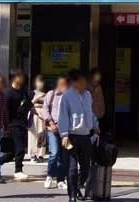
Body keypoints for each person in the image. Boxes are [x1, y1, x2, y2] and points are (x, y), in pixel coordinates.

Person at [59, 70, 99, 202]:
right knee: (72, 168)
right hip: (71, 136)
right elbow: (63, 116)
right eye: (81, 81)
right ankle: (72, 195)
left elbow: (90, 112)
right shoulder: (67, 96)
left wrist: (95, 125)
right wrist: (64, 135)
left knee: (86, 166)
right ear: (74, 82)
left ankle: (77, 186)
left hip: (85, 135)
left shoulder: (88, 95)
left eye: (85, 81)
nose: (84, 84)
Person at [4, 69, 36, 181]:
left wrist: (43, 118)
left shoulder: (23, 92)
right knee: (20, 148)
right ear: (14, 78)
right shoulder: (8, 93)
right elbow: (5, 111)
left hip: (22, 123)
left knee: (13, 152)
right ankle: (18, 170)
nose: (22, 79)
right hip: (12, 124)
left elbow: (30, 106)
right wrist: (5, 126)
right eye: (20, 76)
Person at [42, 75, 69, 190]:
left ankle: (61, 180)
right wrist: (51, 123)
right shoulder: (51, 94)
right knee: (54, 153)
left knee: (64, 155)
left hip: (65, 130)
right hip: (53, 129)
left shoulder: (69, 96)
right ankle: (49, 176)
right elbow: (45, 109)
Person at [29, 75, 48, 163]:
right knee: (33, 135)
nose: (40, 84)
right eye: (39, 82)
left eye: (42, 82)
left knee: (42, 135)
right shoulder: (31, 93)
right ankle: (33, 154)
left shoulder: (46, 94)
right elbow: (28, 105)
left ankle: (41, 154)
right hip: (34, 115)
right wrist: (36, 99)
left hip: (43, 116)